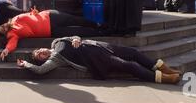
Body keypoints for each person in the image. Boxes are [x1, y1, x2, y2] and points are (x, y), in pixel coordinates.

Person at [17, 36, 181, 84]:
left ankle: (162, 68)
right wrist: (26, 64)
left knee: (134, 52)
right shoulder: (56, 59)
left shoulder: (57, 42)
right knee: (130, 65)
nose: (41, 53)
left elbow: (74, 36)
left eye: (39, 51)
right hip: (96, 59)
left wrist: (76, 39)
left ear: (42, 48)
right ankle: (163, 78)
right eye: (39, 56)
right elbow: (40, 70)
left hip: (100, 46)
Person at [0, 9, 107, 60]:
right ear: (5, 33)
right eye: (2, 30)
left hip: (50, 16)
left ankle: (97, 25)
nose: (3, 28)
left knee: (74, 20)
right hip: (50, 31)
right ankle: (100, 33)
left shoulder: (16, 18)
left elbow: (29, 14)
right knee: (76, 32)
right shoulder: (13, 34)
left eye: (2, 26)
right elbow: (12, 43)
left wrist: (34, 12)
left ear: (4, 23)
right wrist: (7, 50)